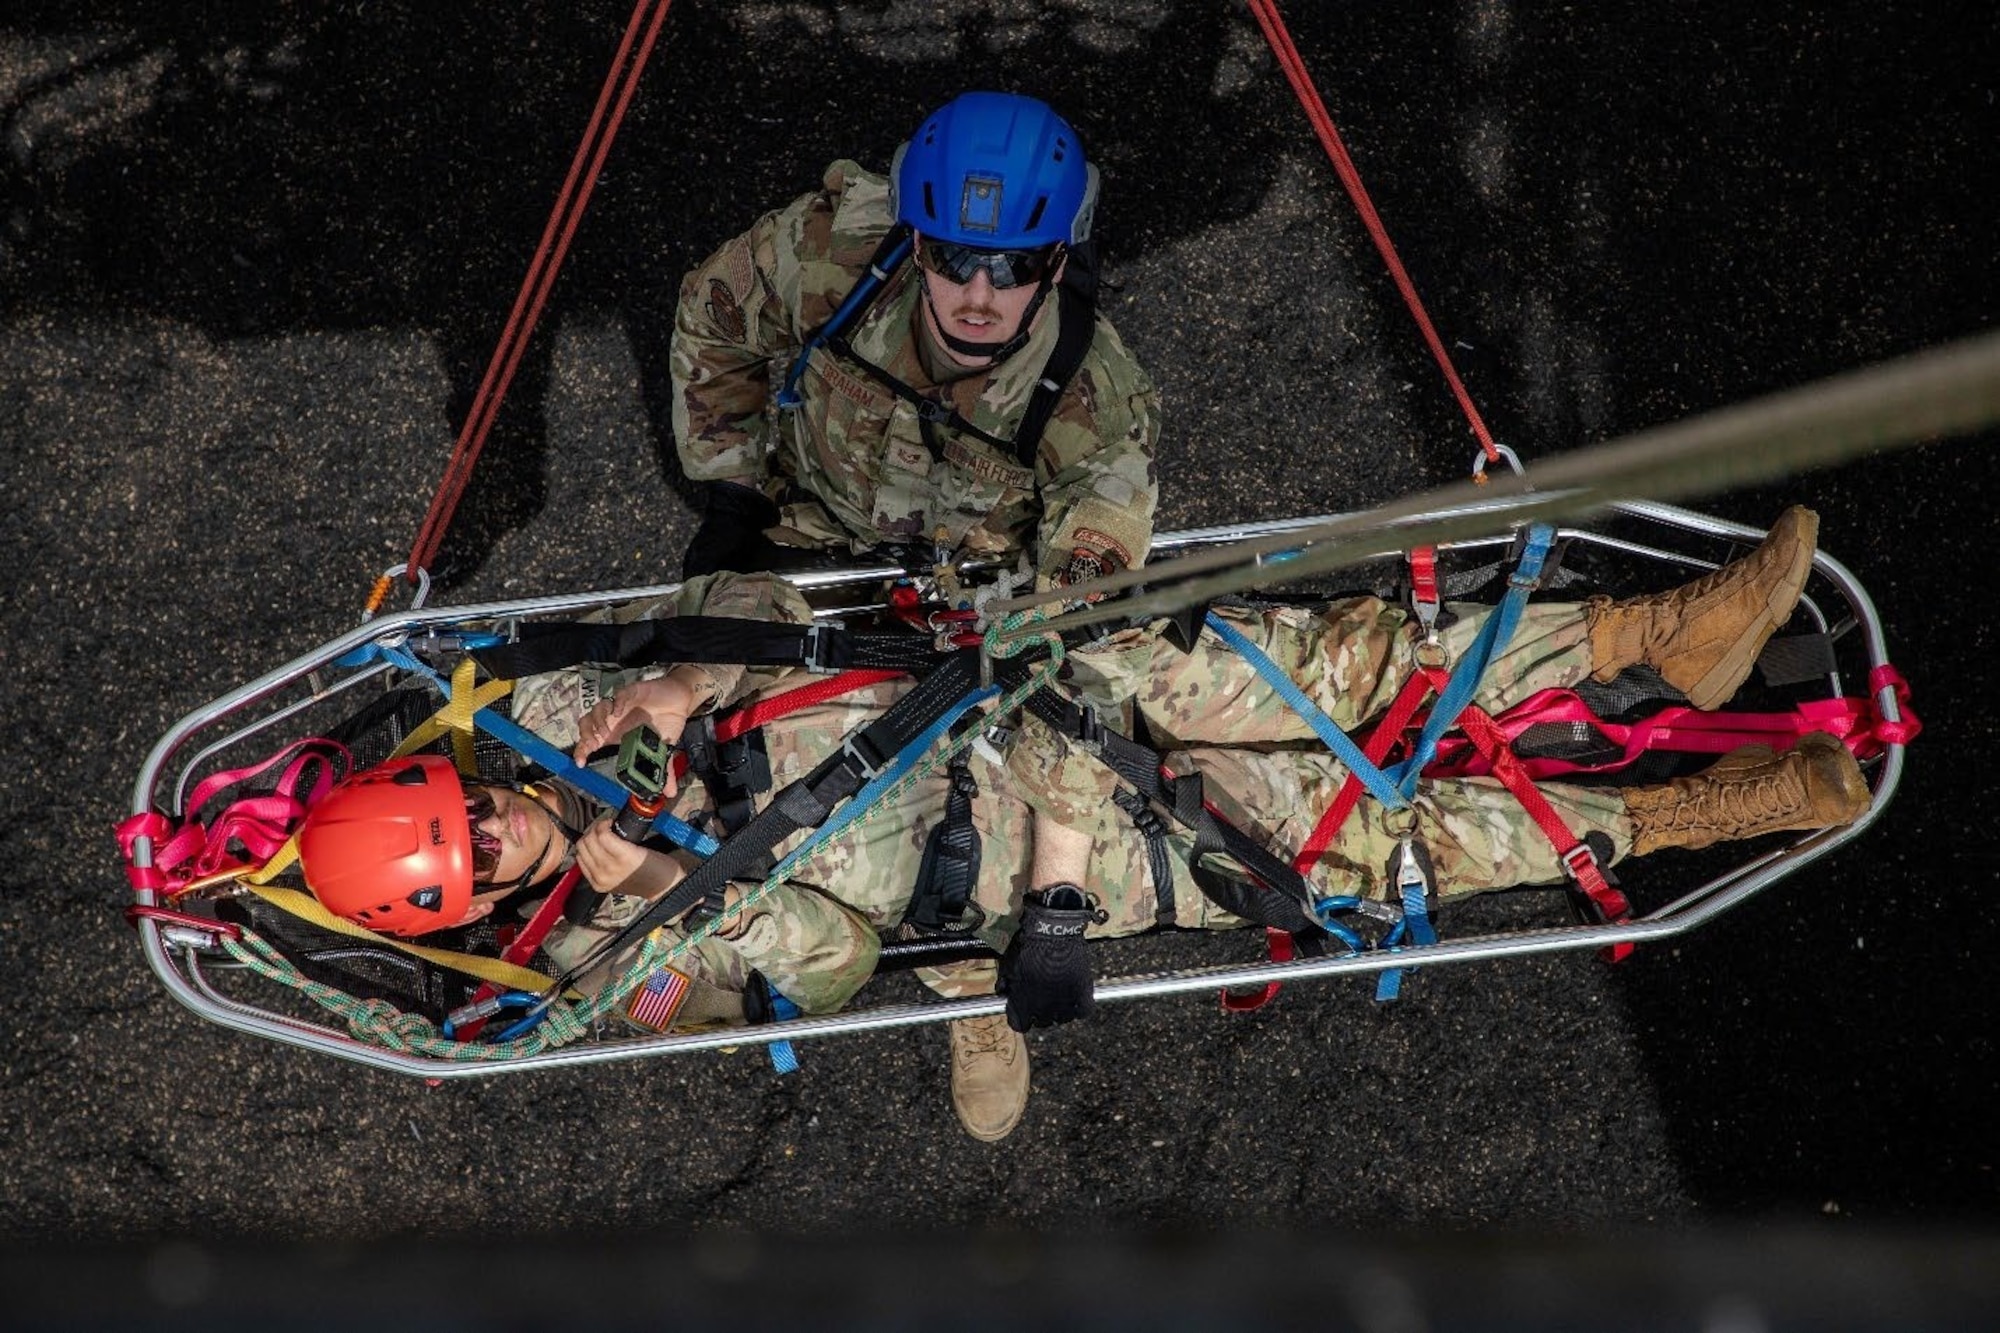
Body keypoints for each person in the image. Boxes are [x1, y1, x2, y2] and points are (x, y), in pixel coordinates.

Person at [294, 506, 1873, 1140]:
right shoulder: (605, 958)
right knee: (1409, 853)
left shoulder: (564, 718)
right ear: (470, 912)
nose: (505, 839)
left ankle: (1655, 635)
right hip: (1060, 863)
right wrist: (672, 888)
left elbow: (758, 595)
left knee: (1335, 661)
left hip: (1037, 692)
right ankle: (1707, 811)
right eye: (479, 868)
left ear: (462, 780)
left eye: (477, 816)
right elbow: (833, 966)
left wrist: (688, 670)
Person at [671, 91, 1160, 590]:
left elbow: (1088, 577)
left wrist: (1042, 624)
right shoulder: (827, 253)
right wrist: (735, 490)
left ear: (1057, 263)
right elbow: (714, 320)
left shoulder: (1096, 403)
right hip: (805, 533)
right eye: (954, 258)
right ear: (918, 243)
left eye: (1017, 264)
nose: (978, 297)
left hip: (979, 593)